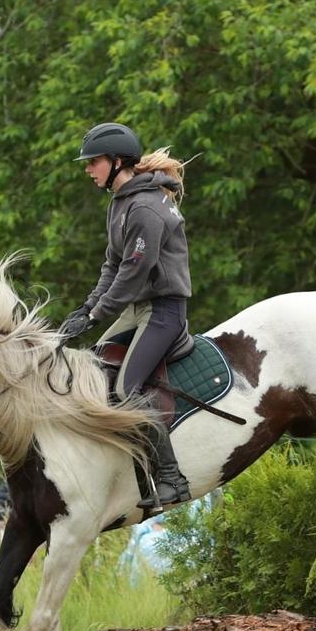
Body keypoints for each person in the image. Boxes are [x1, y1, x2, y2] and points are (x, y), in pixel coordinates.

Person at [60, 121, 193, 510]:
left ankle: (172, 478)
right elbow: (112, 265)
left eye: (94, 162)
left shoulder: (145, 208)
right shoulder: (120, 202)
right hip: (138, 310)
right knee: (95, 370)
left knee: (125, 388)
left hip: (163, 312)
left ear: (117, 162)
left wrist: (96, 315)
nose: (89, 169)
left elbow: (134, 273)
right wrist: (86, 308)